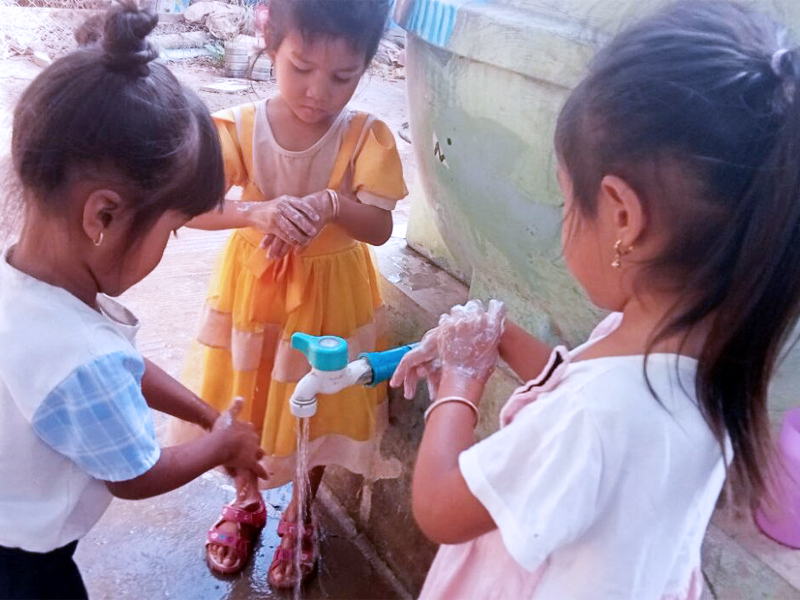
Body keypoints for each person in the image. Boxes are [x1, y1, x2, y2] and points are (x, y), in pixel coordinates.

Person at [391, 1, 800, 597]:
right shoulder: (708, 366)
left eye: (567, 201)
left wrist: (459, 381)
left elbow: (439, 507)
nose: (563, 222)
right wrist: (501, 339)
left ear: (623, 217)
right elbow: (580, 384)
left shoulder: (594, 421)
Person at [0, 3, 266, 598]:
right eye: (172, 229)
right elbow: (135, 474)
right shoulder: (81, 360)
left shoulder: (25, 284)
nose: (167, 247)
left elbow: (121, 368)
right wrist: (219, 445)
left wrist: (205, 414)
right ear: (103, 216)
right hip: (24, 571)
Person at [178, 0, 406, 587]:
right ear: (270, 42)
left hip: (332, 294)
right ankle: (246, 499)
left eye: (343, 77)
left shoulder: (364, 136)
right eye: (301, 67)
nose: (317, 92)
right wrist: (254, 212)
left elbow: (380, 228)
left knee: (320, 399)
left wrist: (332, 204)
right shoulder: (239, 128)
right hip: (255, 289)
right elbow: (190, 207)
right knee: (247, 393)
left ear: (365, 67)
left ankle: (302, 511)